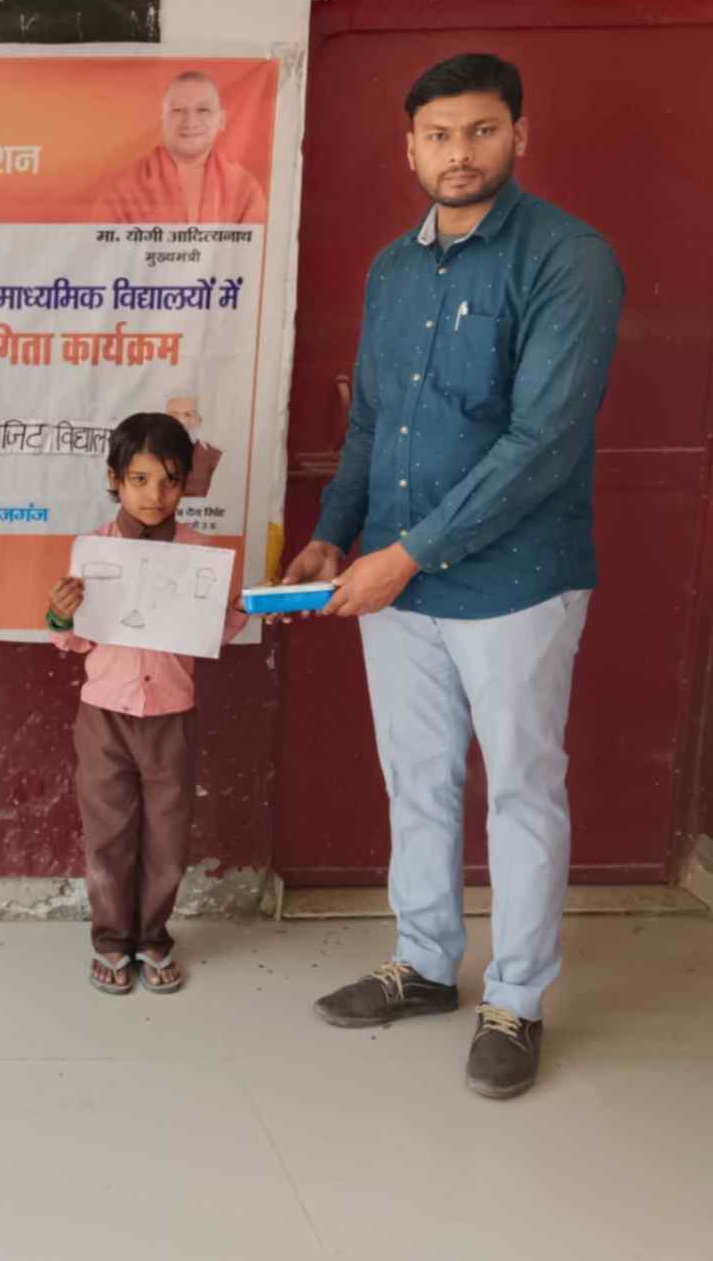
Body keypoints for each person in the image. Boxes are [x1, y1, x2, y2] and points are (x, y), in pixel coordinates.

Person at [280, 53, 624, 1099]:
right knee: (417, 780)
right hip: (393, 580)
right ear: (410, 148)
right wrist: (334, 535)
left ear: (518, 134)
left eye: (480, 130)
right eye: (438, 135)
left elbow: (541, 443)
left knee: (520, 788)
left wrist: (404, 554)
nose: (458, 152)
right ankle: (425, 963)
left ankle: (515, 999)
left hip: (515, 581)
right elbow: (372, 422)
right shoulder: (393, 269)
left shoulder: (567, 259)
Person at [47, 414, 247, 996]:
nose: (154, 495)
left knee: (167, 835)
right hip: (103, 714)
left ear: (185, 484)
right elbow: (74, 639)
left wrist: (238, 607)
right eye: (139, 479)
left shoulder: (200, 554)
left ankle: (154, 937)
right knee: (107, 834)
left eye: (169, 480)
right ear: (114, 479)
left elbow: (215, 634)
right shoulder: (92, 550)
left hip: (170, 716)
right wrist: (59, 614)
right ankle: (111, 941)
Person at [107, 71, 267, 225]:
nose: (190, 122)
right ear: (163, 120)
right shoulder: (124, 187)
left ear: (222, 120)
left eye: (203, 110)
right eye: (178, 110)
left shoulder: (245, 189)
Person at [165, 393, 222, 497]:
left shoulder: (215, 457)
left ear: (199, 420)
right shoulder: (151, 453)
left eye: (188, 415)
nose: (181, 421)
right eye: (174, 415)